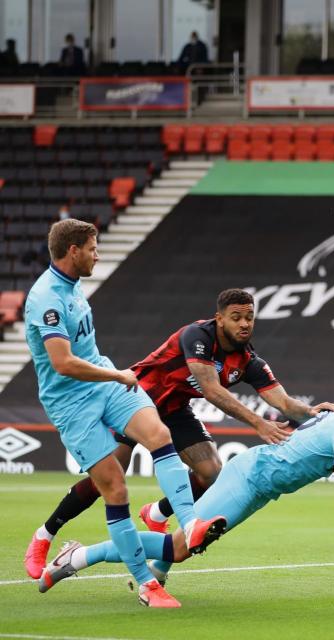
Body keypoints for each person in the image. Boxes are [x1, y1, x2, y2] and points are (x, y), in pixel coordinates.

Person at [23, 288, 334, 580]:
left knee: (212, 472)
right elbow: (213, 391)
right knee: (105, 482)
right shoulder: (197, 336)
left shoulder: (248, 361)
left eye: (250, 317)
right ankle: (44, 535)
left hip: (174, 410)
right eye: (236, 317)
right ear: (220, 319)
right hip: (135, 400)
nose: (245, 324)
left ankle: (157, 511)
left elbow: (284, 402)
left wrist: (315, 414)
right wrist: (258, 423)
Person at [37, 376, 334, 603]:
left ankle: (154, 565)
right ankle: (79, 556)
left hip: (260, 487)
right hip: (248, 477)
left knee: (181, 548)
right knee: (180, 546)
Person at [24, 220, 223, 608]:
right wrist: (116, 373)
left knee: (159, 435)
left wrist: (112, 376)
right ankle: (147, 585)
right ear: (73, 251)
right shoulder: (46, 298)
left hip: (105, 384)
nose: (98, 254)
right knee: (114, 488)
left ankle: (189, 522)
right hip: (71, 402)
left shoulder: (73, 285)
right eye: (93, 248)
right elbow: (63, 363)